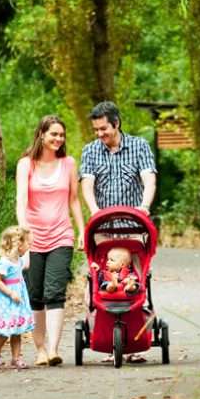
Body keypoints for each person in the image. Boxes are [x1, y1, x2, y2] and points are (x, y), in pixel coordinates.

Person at [80, 101, 156, 362]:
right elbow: (88, 184)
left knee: (136, 277)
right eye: (96, 130)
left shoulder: (139, 146)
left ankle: (135, 340)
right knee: (101, 278)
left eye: (104, 129)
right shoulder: (90, 151)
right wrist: (94, 210)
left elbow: (148, 178)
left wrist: (144, 206)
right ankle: (104, 338)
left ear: (116, 123)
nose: (100, 134)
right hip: (103, 228)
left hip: (133, 228)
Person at [16, 115, 85, 367]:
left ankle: (54, 349)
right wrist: (24, 235)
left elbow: (74, 200)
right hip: (33, 237)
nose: (58, 139)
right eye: (53, 134)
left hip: (61, 235)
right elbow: (21, 201)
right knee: (35, 295)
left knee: (54, 291)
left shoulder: (68, 163)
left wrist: (82, 230)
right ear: (42, 135)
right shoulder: (26, 164)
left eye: (61, 135)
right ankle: (41, 349)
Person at [0, 226, 35, 369]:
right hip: (6, 301)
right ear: (19, 245)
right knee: (5, 330)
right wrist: (10, 293)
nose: (29, 246)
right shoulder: (5, 262)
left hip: (18, 300)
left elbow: (24, 268)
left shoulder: (18, 261)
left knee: (17, 330)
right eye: (28, 243)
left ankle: (16, 357)